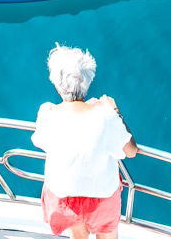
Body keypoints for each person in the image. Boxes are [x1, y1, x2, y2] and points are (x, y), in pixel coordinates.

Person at [32, 45, 138, 239]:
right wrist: (115, 112)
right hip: (101, 198)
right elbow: (131, 151)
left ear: (56, 83)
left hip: (63, 198)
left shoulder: (47, 114)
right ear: (88, 80)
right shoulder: (106, 117)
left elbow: (40, 140)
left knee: (78, 234)